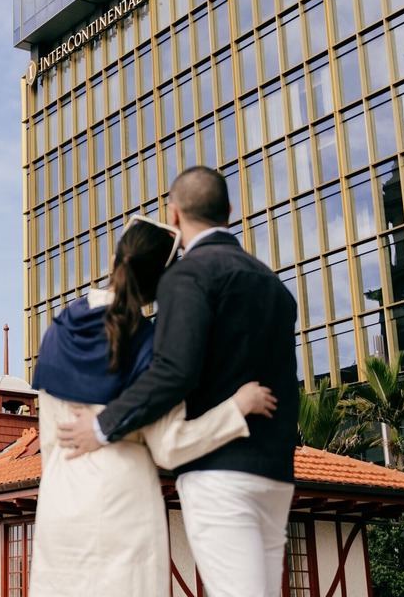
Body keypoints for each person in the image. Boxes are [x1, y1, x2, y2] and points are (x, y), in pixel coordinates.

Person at [57, 166, 300, 597]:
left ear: (173, 215)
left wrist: (102, 425)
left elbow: (175, 371)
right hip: (276, 470)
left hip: (218, 471)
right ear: (228, 211)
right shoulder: (274, 286)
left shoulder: (186, 277)